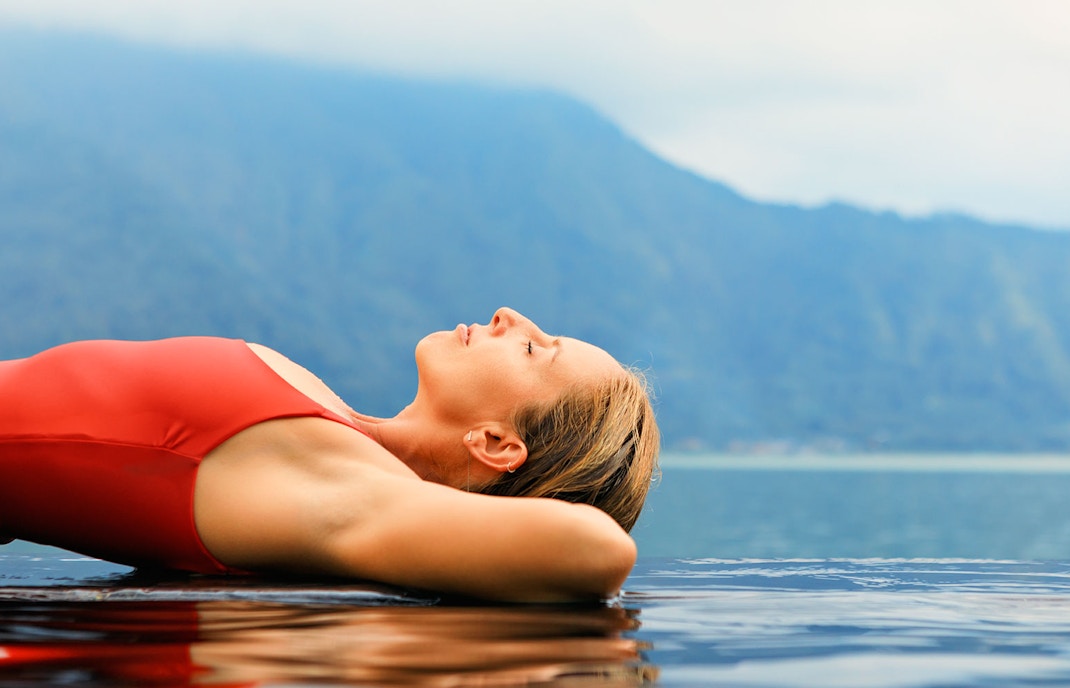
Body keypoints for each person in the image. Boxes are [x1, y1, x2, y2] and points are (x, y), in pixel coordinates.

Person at [0, 308, 659, 602]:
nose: (509, 316)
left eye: (534, 350)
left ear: (496, 444)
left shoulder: (344, 492)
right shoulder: (338, 433)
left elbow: (596, 550)